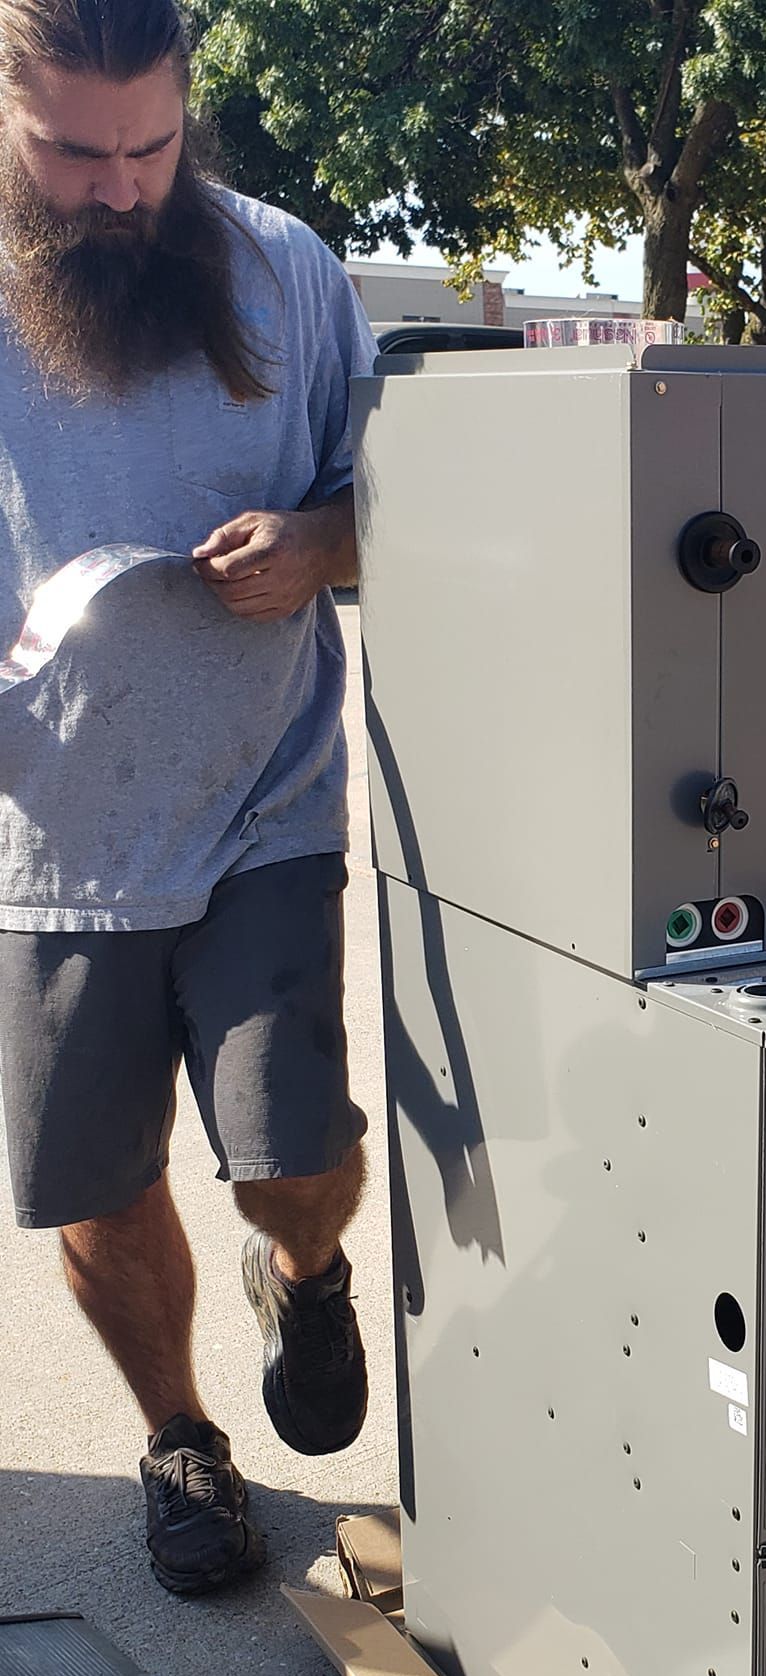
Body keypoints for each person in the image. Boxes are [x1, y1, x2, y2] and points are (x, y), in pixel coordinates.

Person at [0, 0, 378, 1595]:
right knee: (100, 1182)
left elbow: (408, 486)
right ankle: (181, 1440)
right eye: (75, 153)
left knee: (290, 1150)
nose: (117, 186)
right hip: (49, 843)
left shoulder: (287, 267)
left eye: (149, 147)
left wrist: (323, 545)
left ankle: (304, 1266)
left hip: (260, 804)